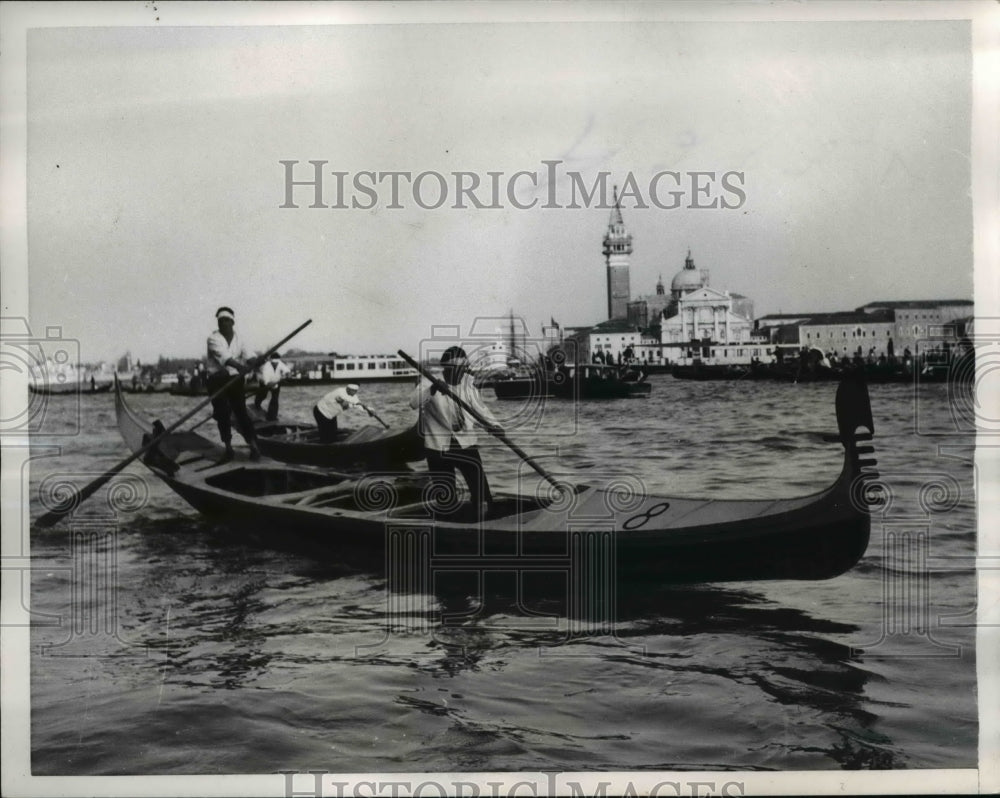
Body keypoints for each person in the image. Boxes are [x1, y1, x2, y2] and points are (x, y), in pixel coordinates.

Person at [409, 346, 502, 520]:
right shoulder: (430, 381)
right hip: (438, 446)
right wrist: (432, 390)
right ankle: (448, 526)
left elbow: (480, 409)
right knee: (445, 497)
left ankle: (485, 520)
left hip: (465, 443)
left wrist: (495, 425)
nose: (460, 374)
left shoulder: (468, 382)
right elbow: (413, 402)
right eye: (455, 370)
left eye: (462, 369)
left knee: (481, 491)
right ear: (447, 369)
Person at [206, 306, 262, 462]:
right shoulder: (213, 339)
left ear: (232, 322)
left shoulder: (241, 339)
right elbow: (225, 358)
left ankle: (254, 447)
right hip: (217, 380)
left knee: (241, 413)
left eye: (226, 321)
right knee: (223, 414)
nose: (223, 324)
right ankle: (229, 448)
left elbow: (249, 356)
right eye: (220, 321)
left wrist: (257, 362)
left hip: (235, 380)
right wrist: (241, 367)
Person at [254, 354, 291, 421]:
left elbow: (287, 370)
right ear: (270, 361)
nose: (276, 364)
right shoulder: (266, 367)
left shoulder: (280, 363)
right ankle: (257, 404)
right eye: (274, 363)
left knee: (275, 399)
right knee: (263, 395)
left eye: (277, 363)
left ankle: (272, 416)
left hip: (276, 381)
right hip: (265, 382)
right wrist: (279, 381)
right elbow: (267, 383)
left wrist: (287, 375)